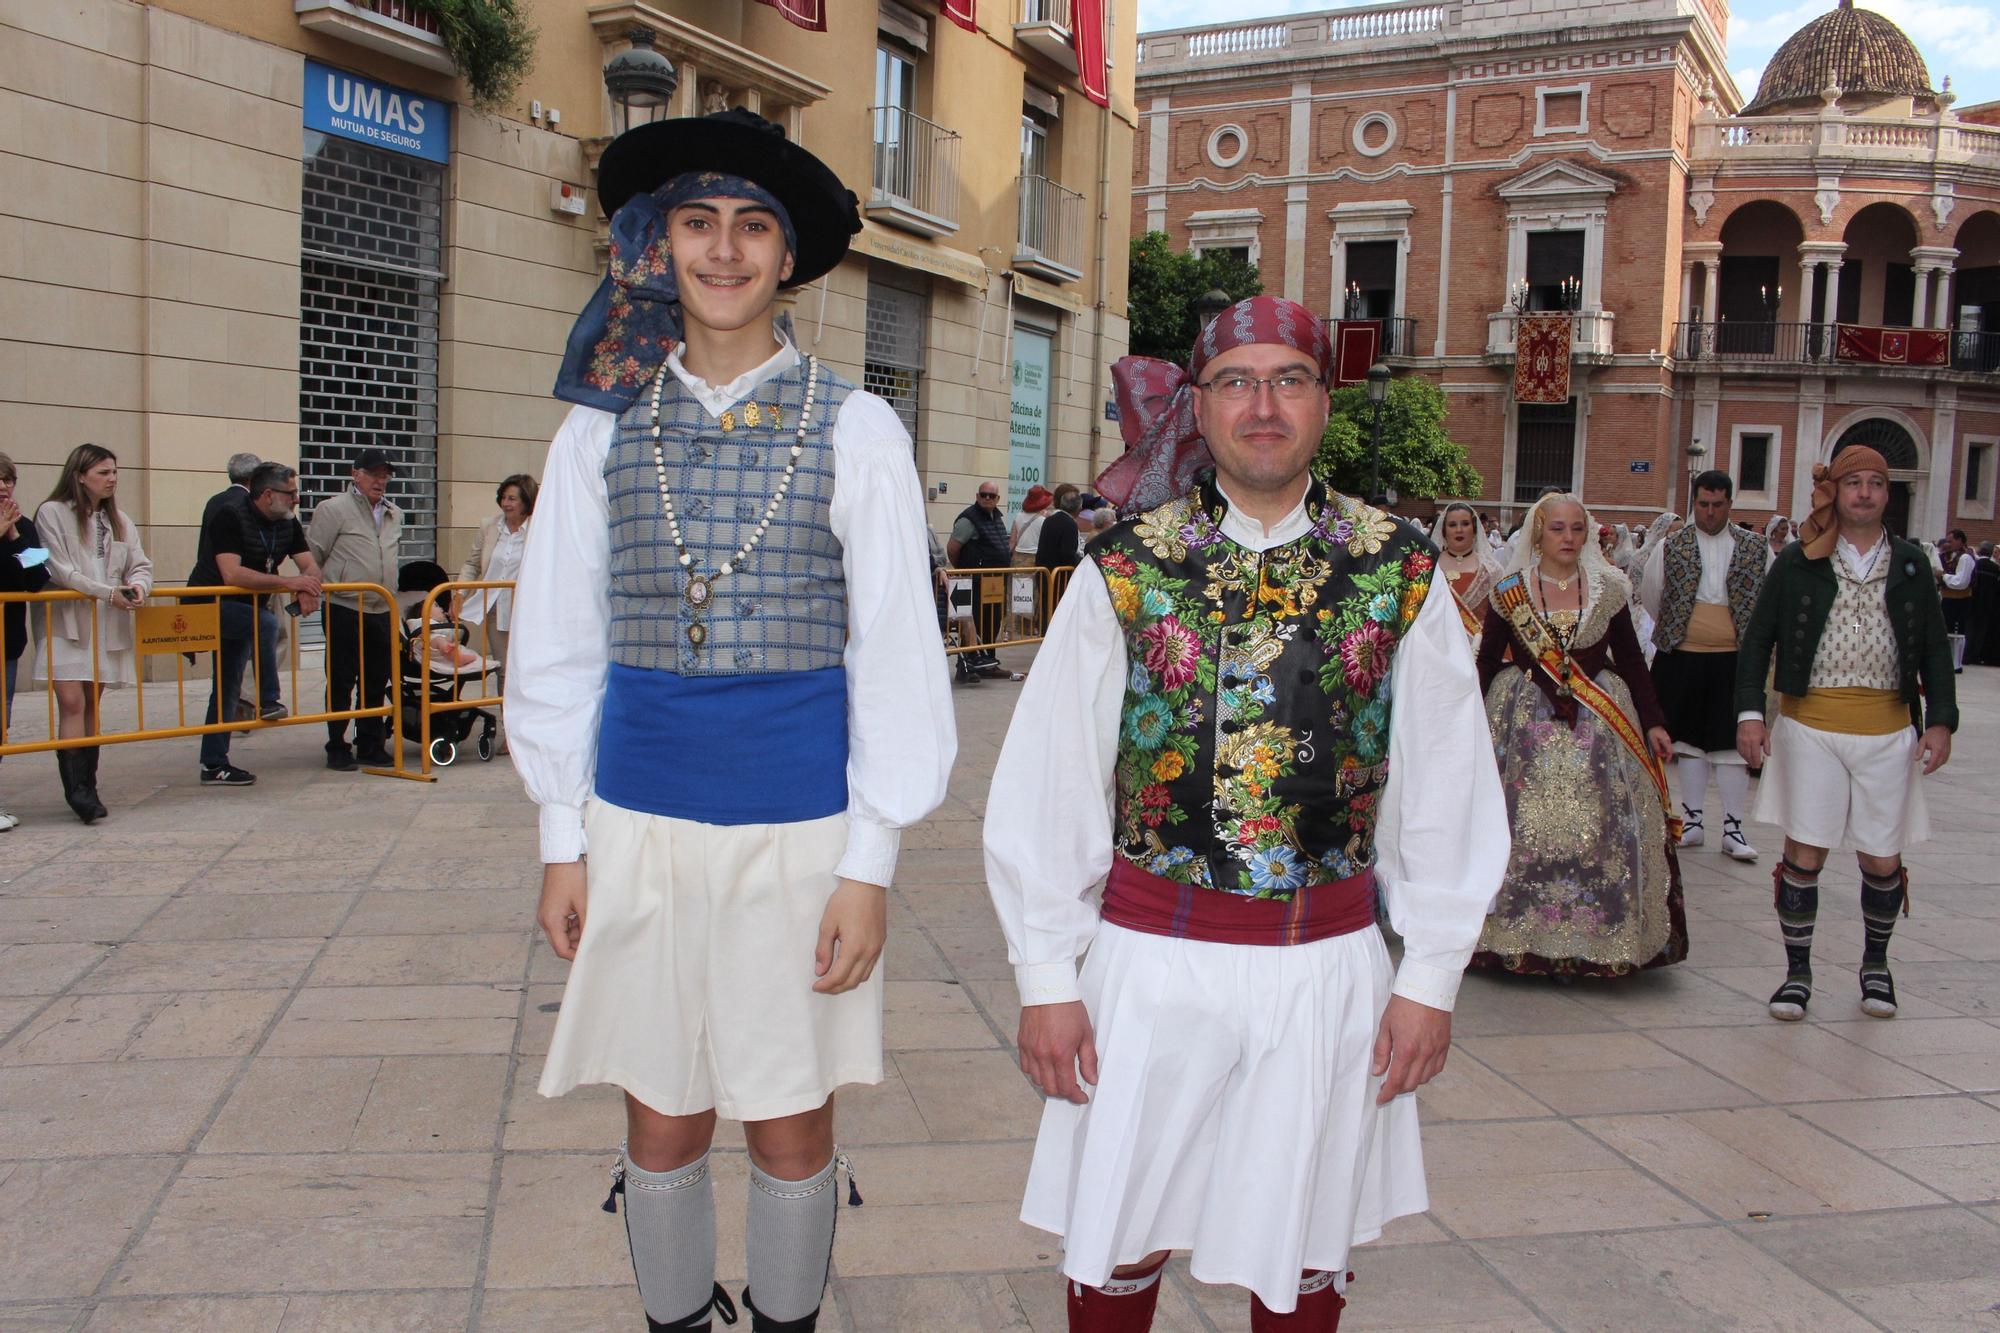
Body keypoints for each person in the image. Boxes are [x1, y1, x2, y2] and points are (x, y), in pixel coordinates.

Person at [510, 108, 955, 1333]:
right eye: (696, 223)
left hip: (800, 830)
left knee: (790, 1103)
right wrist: (562, 835)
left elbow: (895, 660)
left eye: (751, 226)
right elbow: (557, 638)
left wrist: (868, 864)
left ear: (787, 255)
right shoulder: (596, 424)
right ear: (657, 244)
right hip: (636, 820)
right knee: (660, 1108)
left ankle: (785, 1322)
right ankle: (673, 1322)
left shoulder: (856, 426)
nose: (722, 250)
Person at [984, 295, 1508, 1331]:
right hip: (1146, 958)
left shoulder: (1398, 570)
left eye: (1289, 379)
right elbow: (1047, 782)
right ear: (1200, 403)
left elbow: (1444, 787)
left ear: (1323, 401)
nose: (1261, 404)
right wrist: (1046, 977)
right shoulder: (1123, 567)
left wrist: (1430, 977)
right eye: (1234, 381)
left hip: (1326, 964)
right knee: (1116, 1233)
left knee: (1305, 1245)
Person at [1735, 446, 1956, 1022]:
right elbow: (1758, 639)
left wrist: (1940, 722)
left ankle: (1876, 966)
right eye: (1853, 482)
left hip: (1887, 730)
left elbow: (1934, 648)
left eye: (1875, 483)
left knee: (1882, 858)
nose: (1864, 492)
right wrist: (1750, 714)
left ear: (1887, 494)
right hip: (1811, 726)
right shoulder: (1800, 560)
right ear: (1834, 490)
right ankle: (1797, 974)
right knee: (1804, 852)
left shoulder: (1911, 563)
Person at [1472, 493, 1682, 978]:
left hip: (1599, 725)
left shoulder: (1610, 588)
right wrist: (1466, 724)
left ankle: (1601, 934)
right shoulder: (1510, 591)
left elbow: (1632, 659)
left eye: (1577, 529)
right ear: (1538, 533)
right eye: (1558, 529)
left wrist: (1653, 721)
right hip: (1522, 724)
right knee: (1519, 827)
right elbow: (1486, 662)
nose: (1568, 538)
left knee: (1605, 826)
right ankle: (1517, 935)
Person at [1637, 471, 1770, 862]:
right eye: (1703, 505)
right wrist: (1684, 627)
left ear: (1730, 504)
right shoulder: (1671, 546)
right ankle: (1692, 822)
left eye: (1718, 505)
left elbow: (1766, 597)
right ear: (1694, 504)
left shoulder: (1756, 547)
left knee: (1730, 745)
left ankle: (1733, 828)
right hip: (1683, 654)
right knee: (1688, 741)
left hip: (1735, 658)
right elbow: (1652, 595)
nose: (1710, 513)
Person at [35, 445, 152, 824]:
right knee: (71, 701)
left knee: (91, 701)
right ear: (80, 474)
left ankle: (88, 782)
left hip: (107, 623)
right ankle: (77, 791)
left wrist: (137, 587)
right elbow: (58, 568)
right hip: (69, 621)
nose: (112, 478)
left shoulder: (119, 520)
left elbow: (140, 564)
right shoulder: (52, 513)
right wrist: (108, 592)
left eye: (115, 472)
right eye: (103, 472)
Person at [187, 462, 321, 786]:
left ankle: (214, 763)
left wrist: (308, 589)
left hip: (246, 610)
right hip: (209, 604)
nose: (297, 500)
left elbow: (310, 565)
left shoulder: (288, 522)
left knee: (229, 684)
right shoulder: (231, 515)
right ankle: (268, 699)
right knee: (266, 623)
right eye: (290, 494)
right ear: (267, 494)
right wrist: (289, 583)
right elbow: (232, 574)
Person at [307, 447, 402, 771]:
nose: (380, 480)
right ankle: (337, 743)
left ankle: (370, 741)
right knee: (341, 678)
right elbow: (313, 555)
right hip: (344, 605)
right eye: (374, 474)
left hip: (381, 606)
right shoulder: (333, 509)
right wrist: (310, 589)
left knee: (376, 679)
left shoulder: (393, 513)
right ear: (355, 474)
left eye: (384, 475)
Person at [0, 453, 50, 830]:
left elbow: (36, 578)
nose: (4, 487)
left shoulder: (27, 527)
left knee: (1, 723)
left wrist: (14, 536)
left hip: (7, 641)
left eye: (9, 479)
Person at [455, 473, 536, 666]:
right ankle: (502, 698)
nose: (505, 503)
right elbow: (472, 564)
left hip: (526, 608)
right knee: (503, 667)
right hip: (495, 607)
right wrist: (459, 594)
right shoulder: (489, 526)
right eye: (503, 498)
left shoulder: (539, 528)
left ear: (526, 500)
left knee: (525, 666)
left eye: (512, 498)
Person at [948, 480, 1012, 678]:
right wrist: (965, 570)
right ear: (977, 496)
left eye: (991, 496)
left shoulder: (996, 517)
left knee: (991, 622)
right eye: (983, 494)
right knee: (971, 625)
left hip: (994, 582)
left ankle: (988, 664)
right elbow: (953, 548)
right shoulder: (969, 519)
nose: (987, 498)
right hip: (976, 581)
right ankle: (967, 668)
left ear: (997, 499)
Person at [1432, 500, 1501, 646]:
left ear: (1474, 529)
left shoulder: (1491, 570)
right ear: (1444, 531)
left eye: (1465, 524)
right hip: (1436, 647)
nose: (1459, 530)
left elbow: (1500, 618)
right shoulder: (1429, 567)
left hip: (1478, 649)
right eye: (1452, 525)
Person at [1035, 483, 1082, 616]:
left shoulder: (1049, 520)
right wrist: (1080, 561)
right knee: (1058, 611)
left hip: (1044, 572)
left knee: (1046, 608)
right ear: (1078, 508)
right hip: (1059, 576)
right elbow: (1067, 553)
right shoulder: (1069, 523)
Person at [1938, 528, 1974, 671]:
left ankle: (1956, 664)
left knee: (1957, 634)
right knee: (1948, 631)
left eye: (1951, 541)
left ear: (1960, 540)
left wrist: (1943, 576)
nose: (1948, 543)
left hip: (1959, 600)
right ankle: (1949, 661)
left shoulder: (1965, 558)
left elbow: (1961, 582)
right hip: (1949, 599)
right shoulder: (1951, 556)